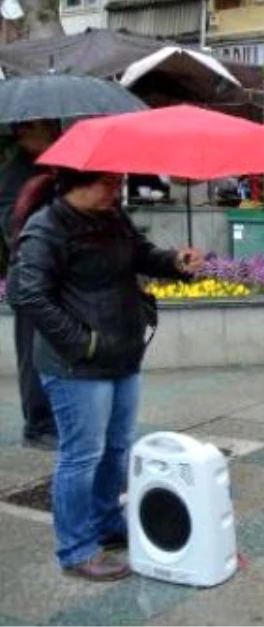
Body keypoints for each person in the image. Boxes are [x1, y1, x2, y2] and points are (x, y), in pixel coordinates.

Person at [7, 168, 203, 581]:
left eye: (118, 182)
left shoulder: (113, 215)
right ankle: (77, 549)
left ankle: (107, 523)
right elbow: (28, 294)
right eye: (108, 182)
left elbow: (140, 254)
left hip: (123, 355)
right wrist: (82, 343)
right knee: (82, 456)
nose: (117, 189)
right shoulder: (48, 226)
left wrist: (174, 262)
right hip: (77, 366)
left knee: (117, 448)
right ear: (78, 182)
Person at [1, 120, 62, 450]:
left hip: (53, 278)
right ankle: (36, 425)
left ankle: (52, 419)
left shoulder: (51, 166)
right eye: (45, 127)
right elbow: (15, 228)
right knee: (32, 356)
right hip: (29, 280)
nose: (54, 131)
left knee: (51, 353)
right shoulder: (16, 174)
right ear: (23, 132)